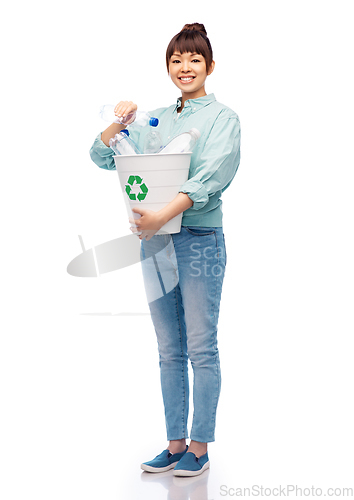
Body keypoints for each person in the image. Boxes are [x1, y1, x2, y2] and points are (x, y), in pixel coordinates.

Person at [89, 23, 241, 477]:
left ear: (210, 67)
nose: (185, 67)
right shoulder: (155, 117)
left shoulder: (223, 119)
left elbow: (210, 178)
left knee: (201, 347)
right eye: (176, 60)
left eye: (194, 59)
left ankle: (200, 446)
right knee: (168, 347)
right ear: (168, 68)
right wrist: (121, 120)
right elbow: (102, 156)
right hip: (155, 241)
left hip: (197, 240)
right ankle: (175, 443)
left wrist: (160, 215)